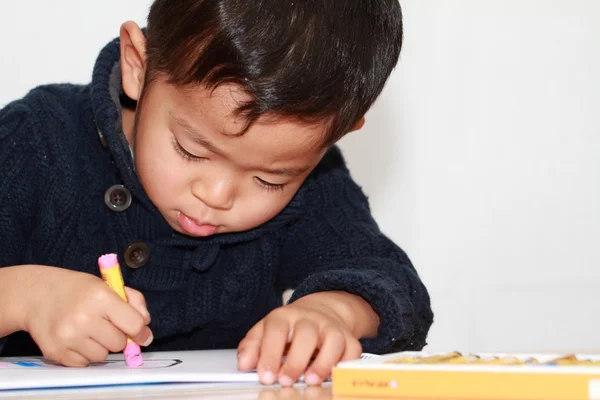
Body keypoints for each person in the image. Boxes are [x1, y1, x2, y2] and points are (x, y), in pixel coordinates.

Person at [0, 0, 433, 387]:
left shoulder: (317, 185)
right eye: (191, 150)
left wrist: (334, 313)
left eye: (270, 180)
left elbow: (392, 283)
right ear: (138, 65)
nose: (217, 195)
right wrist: (23, 297)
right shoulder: (35, 143)